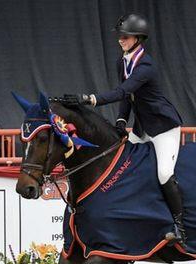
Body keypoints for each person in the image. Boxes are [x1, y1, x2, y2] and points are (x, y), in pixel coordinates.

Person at [63, 13, 186, 245]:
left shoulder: (146, 65)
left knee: (163, 173)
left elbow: (121, 91)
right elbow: (127, 96)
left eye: (126, 36)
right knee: (127, 167)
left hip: (163, 127)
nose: (121, 39)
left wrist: (88, 99)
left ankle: (180, 227)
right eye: (120, 36)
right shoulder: (123, 61)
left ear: (138, 38)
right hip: (142, 126)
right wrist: (121, 121)